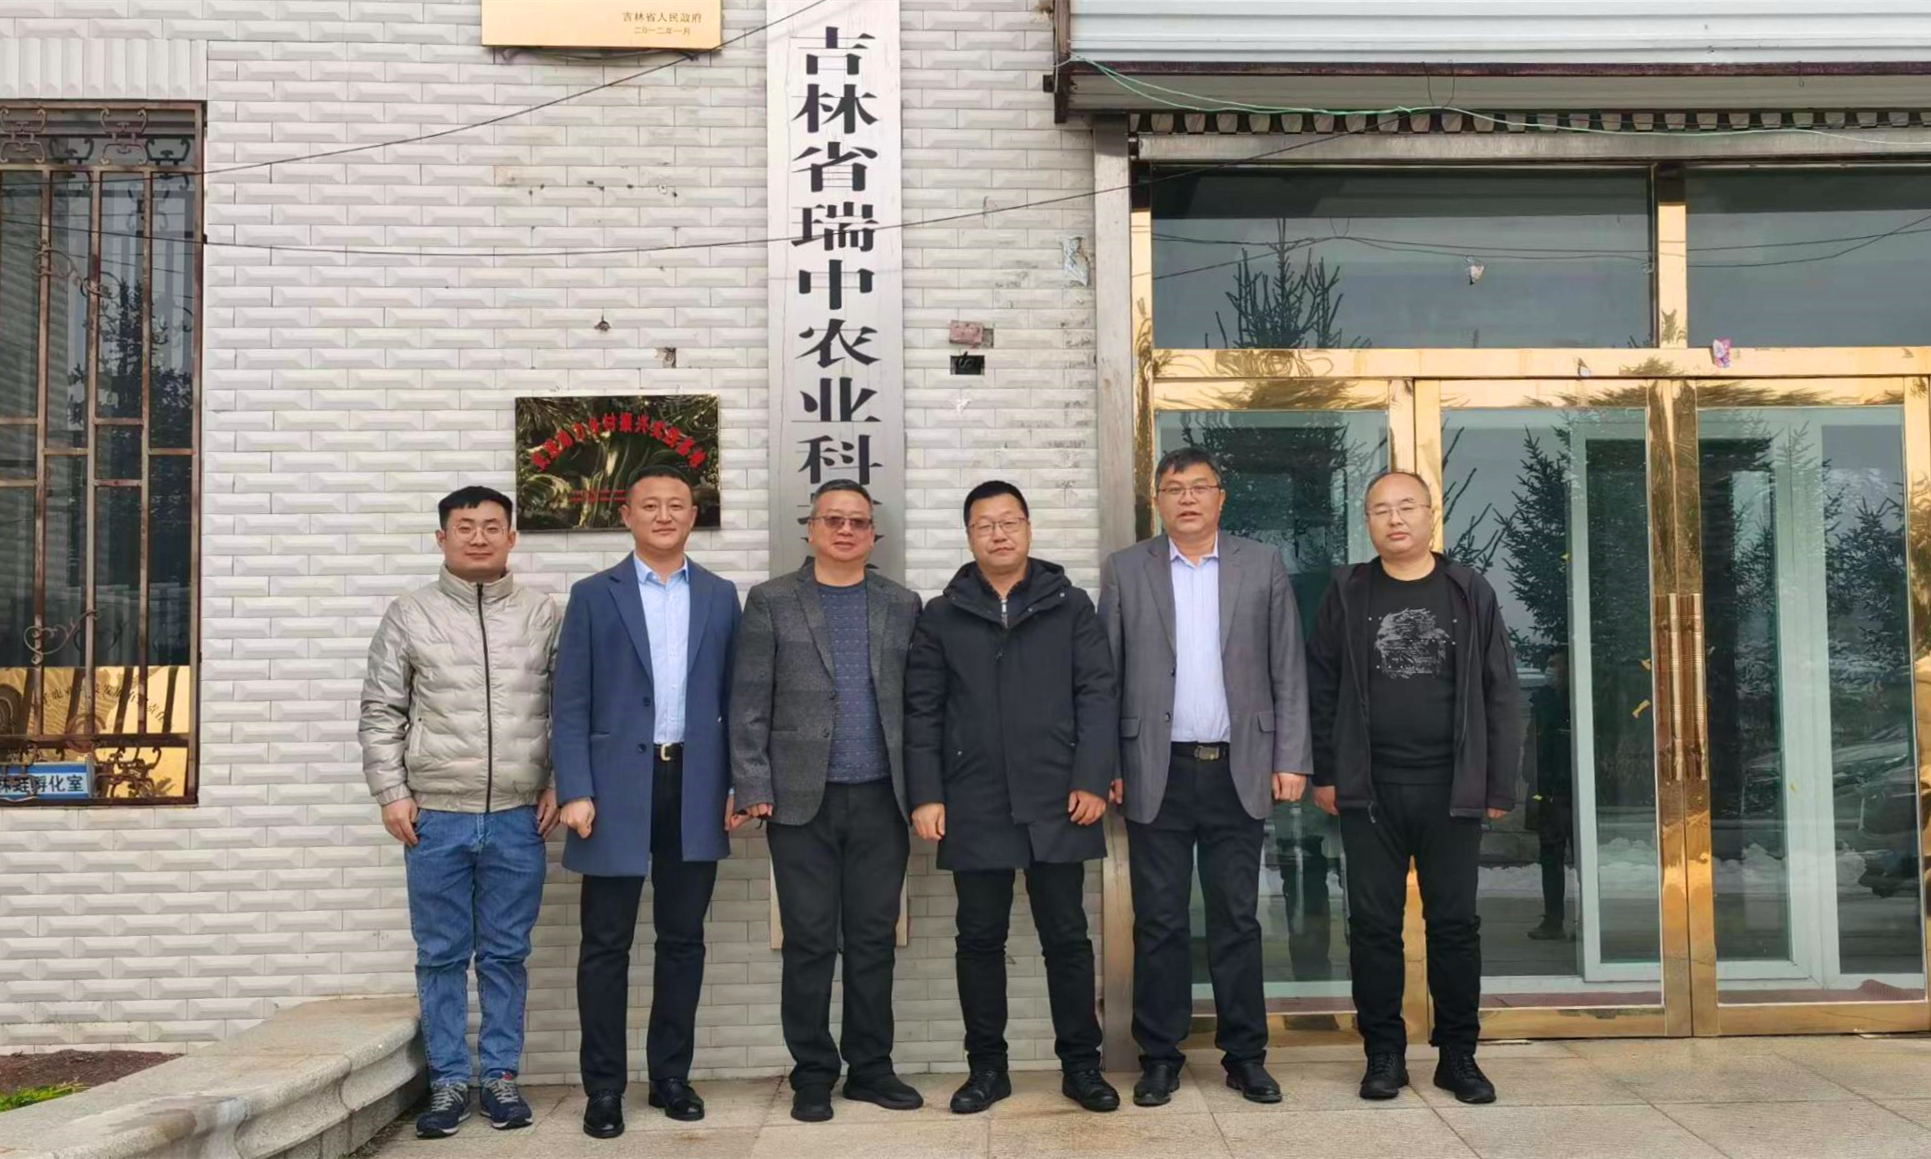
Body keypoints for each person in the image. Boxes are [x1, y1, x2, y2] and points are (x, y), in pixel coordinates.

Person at [1098, 446, 1311, 1107]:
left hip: (1236, 769)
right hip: (1154, 771)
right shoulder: (1126, 569)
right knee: (1159, 921)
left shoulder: (1261, 565)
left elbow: (1287, 667)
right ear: (1157, 501)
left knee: (1236, 919)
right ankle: (1159, 1057)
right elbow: (1105, 677)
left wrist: (1290, 757)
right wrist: (1108, 765)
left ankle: (1245, 1056)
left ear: (1221, 497)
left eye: (1198, 486)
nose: (1186, 498)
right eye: (1173, 488)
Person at [905, 480, 1121, 1116]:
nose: (998, 534)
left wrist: (1091, 777)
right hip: (974, 799)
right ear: (969, 536)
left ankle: (1081, 1067)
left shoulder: (1069, 604)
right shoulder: (942, 614)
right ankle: (987, 1069)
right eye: (984, 524)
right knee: (978, 938)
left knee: (1068, 936)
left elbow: (1097, 694)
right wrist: (927, 793)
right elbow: (923, 710)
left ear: (1028, 528)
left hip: (1060, 795)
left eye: (1009, 522)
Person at [1307, 469, 1522, 1105]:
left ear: (1431, 515)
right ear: (1367, 522)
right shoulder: (1348, 591)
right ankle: (1384, 1055)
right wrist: (1325, 772)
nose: (1395, 519)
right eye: (1381, 510)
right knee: (1373, 927)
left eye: (1406, 507)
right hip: (1369, 789)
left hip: (1450, 789)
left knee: (1454, 926)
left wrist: (1498, 783)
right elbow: (1321, 685)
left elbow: (1501, 690)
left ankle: (1458, 1056)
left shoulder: (1468, 590)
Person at [359, 485, 562, 1138]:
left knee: (505, 952)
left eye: (492, 526)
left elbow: (569, 706)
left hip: (518, 816)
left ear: (512, 537)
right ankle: (447, 1080)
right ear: (441, 537)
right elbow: (381, 710)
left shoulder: (542, 614)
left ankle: (500, 1076)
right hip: (436, 816)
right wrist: (392, 792)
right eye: (465, 526)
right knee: (441, 954)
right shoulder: (409, 613)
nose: (479, 536)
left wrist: (560, 781)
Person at [551, 466, 743, 1140]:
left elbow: (735, 700)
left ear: (693, 515)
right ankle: (604, 1088)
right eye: (650, 505)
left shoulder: (720, 595)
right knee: (605, 943)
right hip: (611, 790)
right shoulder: (592, 595)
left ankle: (670, 1077)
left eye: (676, 505)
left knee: (683, 939)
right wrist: (575, 787)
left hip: (695, 784)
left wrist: (736, 785)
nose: (664, 515)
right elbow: (569, 701)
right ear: (626, 515)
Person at [729, 479, 925, 1123]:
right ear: (810, 529)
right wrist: (753, 784)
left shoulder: (902, 603)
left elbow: (920, 706)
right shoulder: (771, 600)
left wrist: (926, 792)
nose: (845, 530)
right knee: (809, 941)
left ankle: (871, 1068)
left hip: (882, 800)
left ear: (874, 535)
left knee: (873, 939)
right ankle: (813, 1072)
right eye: (833, 520)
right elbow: (749, 701)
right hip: (797, 802)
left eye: (858, 522)